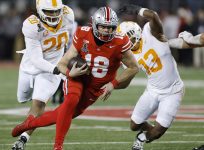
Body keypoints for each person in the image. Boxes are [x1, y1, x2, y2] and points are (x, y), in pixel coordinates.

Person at [11, 6, 139, 150]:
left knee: (62, 113)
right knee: (70, 100)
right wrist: (69, 74)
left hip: (95, 89)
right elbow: (62, 63)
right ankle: (58, 146)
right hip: (78, 77)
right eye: (103, 26)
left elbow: (134, 67)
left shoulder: (120, 41)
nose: (106, 31)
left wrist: (113, 84)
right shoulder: (83, 34)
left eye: (110, 28)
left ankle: (27, 125)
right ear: (95, 24)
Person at [118, 5, 185, 150]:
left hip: (172, 91)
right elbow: (127, 77)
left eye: (127, 37)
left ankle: (143, 138)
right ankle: (145, 132)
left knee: (158, 131)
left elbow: (153, 16)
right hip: (152, 90)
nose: (126, 42)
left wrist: (138, 10)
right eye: (124, 40)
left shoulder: (151, 32)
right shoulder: (129, 55)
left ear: (135, 32)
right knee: (134, 125)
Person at [11, 0, 75, 150]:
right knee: (22, 98)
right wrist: (59, 70)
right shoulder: (31, 25)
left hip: (54, 67)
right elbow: (36, 59)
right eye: (49, 11)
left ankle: (23, 139)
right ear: (39, 10)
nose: (53, 15)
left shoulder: (68, 15)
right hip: (31, 67)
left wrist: (64, 63)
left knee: (39, 104)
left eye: (56, 11)